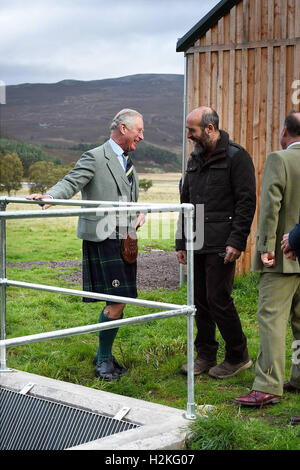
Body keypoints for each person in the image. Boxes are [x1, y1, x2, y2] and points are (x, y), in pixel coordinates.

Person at [27, 108, 145, 381]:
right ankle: (103, 360)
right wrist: (51, 196)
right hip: (103, 237)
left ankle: (104, 355)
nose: (142, 136)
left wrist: (141, 214)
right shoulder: (95, 156)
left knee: (123, 300)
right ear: (124, 129)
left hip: (126, 240)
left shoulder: (128, 162)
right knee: (116, 301)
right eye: (139, 130)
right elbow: (71, 181)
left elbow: (133, 199)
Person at [176, 106, 256, 379]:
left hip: (223, 243)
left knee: (218, 299)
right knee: (199, 300)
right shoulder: (194, 159)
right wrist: (180, 241)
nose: (188, 135)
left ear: (209, 128)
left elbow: (246, 203)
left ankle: (238, 355)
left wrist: (237, 241)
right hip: (197, 240)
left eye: (192, 130)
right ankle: (205, 355)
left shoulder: (237, 156)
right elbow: (185, 202)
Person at [235, 111, 300, 408]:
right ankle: (298, 377)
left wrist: (265, 248)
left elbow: (271, 205)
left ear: (285, 130)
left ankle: (268, 385)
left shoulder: (280, 159)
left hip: (284, 256)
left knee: (271, 319)